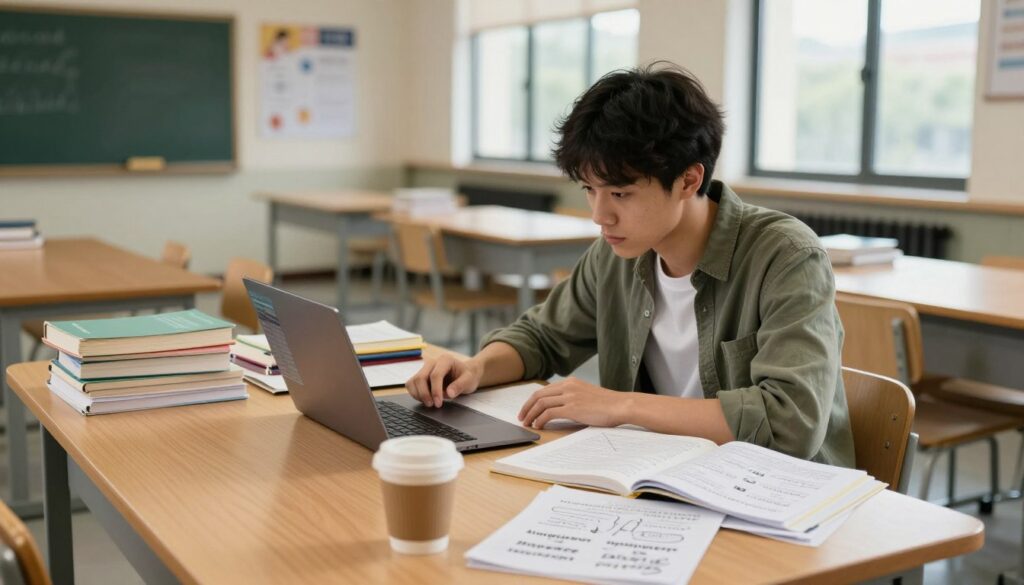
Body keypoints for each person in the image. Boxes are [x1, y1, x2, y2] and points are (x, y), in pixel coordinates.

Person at [405, 62, 854, 466]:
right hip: (665, 475)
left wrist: (621, 406)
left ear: (688, 179)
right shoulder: (616, 253)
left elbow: (790, 423)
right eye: (589, 190)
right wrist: (477, 368)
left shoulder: (787, 257)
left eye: (620, 194)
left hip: (775, 494)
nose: (600, 215)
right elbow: (541, 336)